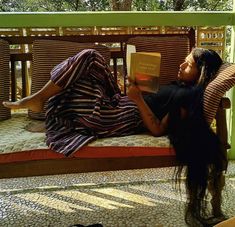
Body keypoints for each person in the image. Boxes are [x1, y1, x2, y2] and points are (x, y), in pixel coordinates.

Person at [3, 47, 227, 226]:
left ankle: (43, 103)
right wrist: (137, 87)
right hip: (118, 101)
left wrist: (138, 99)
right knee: (90, 58)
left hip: (122, 116)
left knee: (85, 67)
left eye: (187, 64)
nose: (180, 64)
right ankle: (43, 101)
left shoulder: (189, 99)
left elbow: (158, 129)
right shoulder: (180, 86)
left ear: (201, 72)